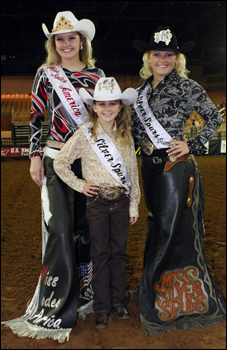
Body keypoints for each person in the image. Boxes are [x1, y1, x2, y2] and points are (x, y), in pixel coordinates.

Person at [2, 11, 105, 342]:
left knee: (87, 227)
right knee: (59, 227)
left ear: (81, 41)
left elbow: (104, 120)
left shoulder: (96, 75)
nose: (65, 44)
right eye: (59, 39)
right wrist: (34, 157)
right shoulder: (46, 74)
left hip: (89, 161)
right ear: (54, 44)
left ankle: (86, 290)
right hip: (56, 156)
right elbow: (35, 116)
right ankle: (57, 296)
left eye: (71, 38)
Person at [131, 26, 226, 336]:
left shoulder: (187, 86)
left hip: (175, 166)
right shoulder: (141, 92)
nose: (163, 59)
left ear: (176, 59)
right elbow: (134, 131)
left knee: (173, 228)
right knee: (156, 222)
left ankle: (175, 289)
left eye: (168, 55)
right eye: (157, 54)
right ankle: (155, 284)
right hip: (148, 165)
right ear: (149, 57)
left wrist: (193, 145)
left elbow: (215, 117)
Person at [53, 77, 141, 329]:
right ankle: (102, 307)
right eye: (101, 104)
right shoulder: (84, 134)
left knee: (119, 254)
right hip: (98, 203)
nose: (106, 108)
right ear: (94, 107)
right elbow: (60, 163)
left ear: (120, 107)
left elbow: (132, 172)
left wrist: (134, 204)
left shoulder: (126, 134)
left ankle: (118, 301)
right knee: (100, 254)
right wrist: (81, 185)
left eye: (112, 103)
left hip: (122, 202)